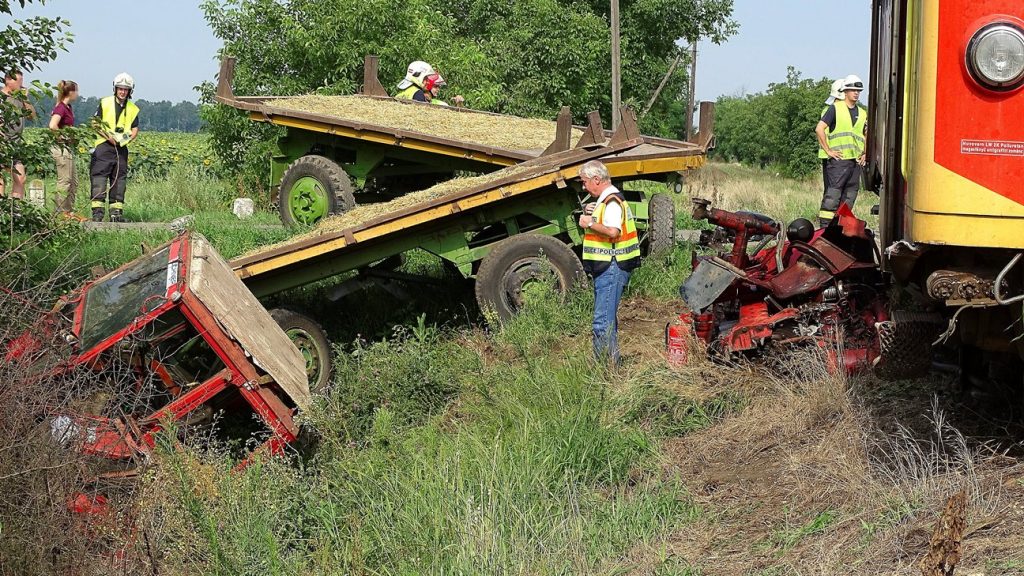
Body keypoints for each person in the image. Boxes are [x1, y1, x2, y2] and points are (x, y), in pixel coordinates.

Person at [577, 160, 640, 366]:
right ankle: (613, 364)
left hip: (611, 267)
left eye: (585, 182)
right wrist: (592, 212)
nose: (583, 186)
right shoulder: (608, 200)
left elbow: (613, 231)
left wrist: (590, 223)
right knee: (607, 320)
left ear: (597, 179)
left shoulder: (612, 202)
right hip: (609, 266)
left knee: (601, 322)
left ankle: (603, 368)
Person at [815, 74, 867, 227]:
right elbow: (819, 129)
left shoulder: (862, 113)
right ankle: (825, 228)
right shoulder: (835, 108)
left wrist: (865, 153)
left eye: (858, 90)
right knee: (833, 195)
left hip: (855, 161)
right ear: (845, 91)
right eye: (852, 90)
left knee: (850, 195)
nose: (856, 93)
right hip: (839, 161)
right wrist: (829, 151)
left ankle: (840, 226)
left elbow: (866, 133)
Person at [90, 73, 139, 222]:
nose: (123, 92)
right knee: (99, 177)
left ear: (130, 91)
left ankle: (116, 214)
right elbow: (95, 123)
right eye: (120, 89)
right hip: (103, 145)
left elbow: (135, 129)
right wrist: (108, 137)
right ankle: (97, 214)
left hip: (121, 147)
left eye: (126, 89)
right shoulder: (104, 103)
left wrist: (125, 139)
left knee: (119, 179)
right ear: (115, 89)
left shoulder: (133, 108)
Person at [1, 70, 36, 199]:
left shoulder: (20, 98)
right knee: (1, 180)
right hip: (2, 142)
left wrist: (25, 99)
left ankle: (16, 211)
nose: (21, 85)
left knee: (21, 179)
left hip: (16, 144)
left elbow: (32, 116)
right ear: (8, 80)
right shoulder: (1, 97)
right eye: (18, 81)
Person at [49, 80, 79, 216]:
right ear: (71, 92)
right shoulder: (61, 107)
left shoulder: (67, 107)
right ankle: (60, 212)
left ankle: (69, 211)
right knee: (65, 181)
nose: (78, 94)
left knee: (73, 181)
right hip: (61, 149)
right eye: (76, 91)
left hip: (68, 148)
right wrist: (63, 137)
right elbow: (52, 125)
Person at [394, 61, 465, 106]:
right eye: (426, 79)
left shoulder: (405, 92)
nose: (427, 82)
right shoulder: (418, 94)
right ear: (418, 77)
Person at [818, 79, 844, 196]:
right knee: (833, 193)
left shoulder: (830, 110)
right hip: (833, 157)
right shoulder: (832, 110)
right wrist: (829, 151)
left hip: (835, 156)